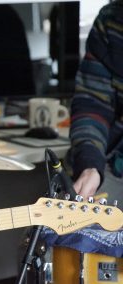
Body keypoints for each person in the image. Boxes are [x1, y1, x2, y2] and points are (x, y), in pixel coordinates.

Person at [68, 0, 123, 200]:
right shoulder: (110, 22)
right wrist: (89, 164)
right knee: (67, 229)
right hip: (115, 165)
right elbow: (93, 105)